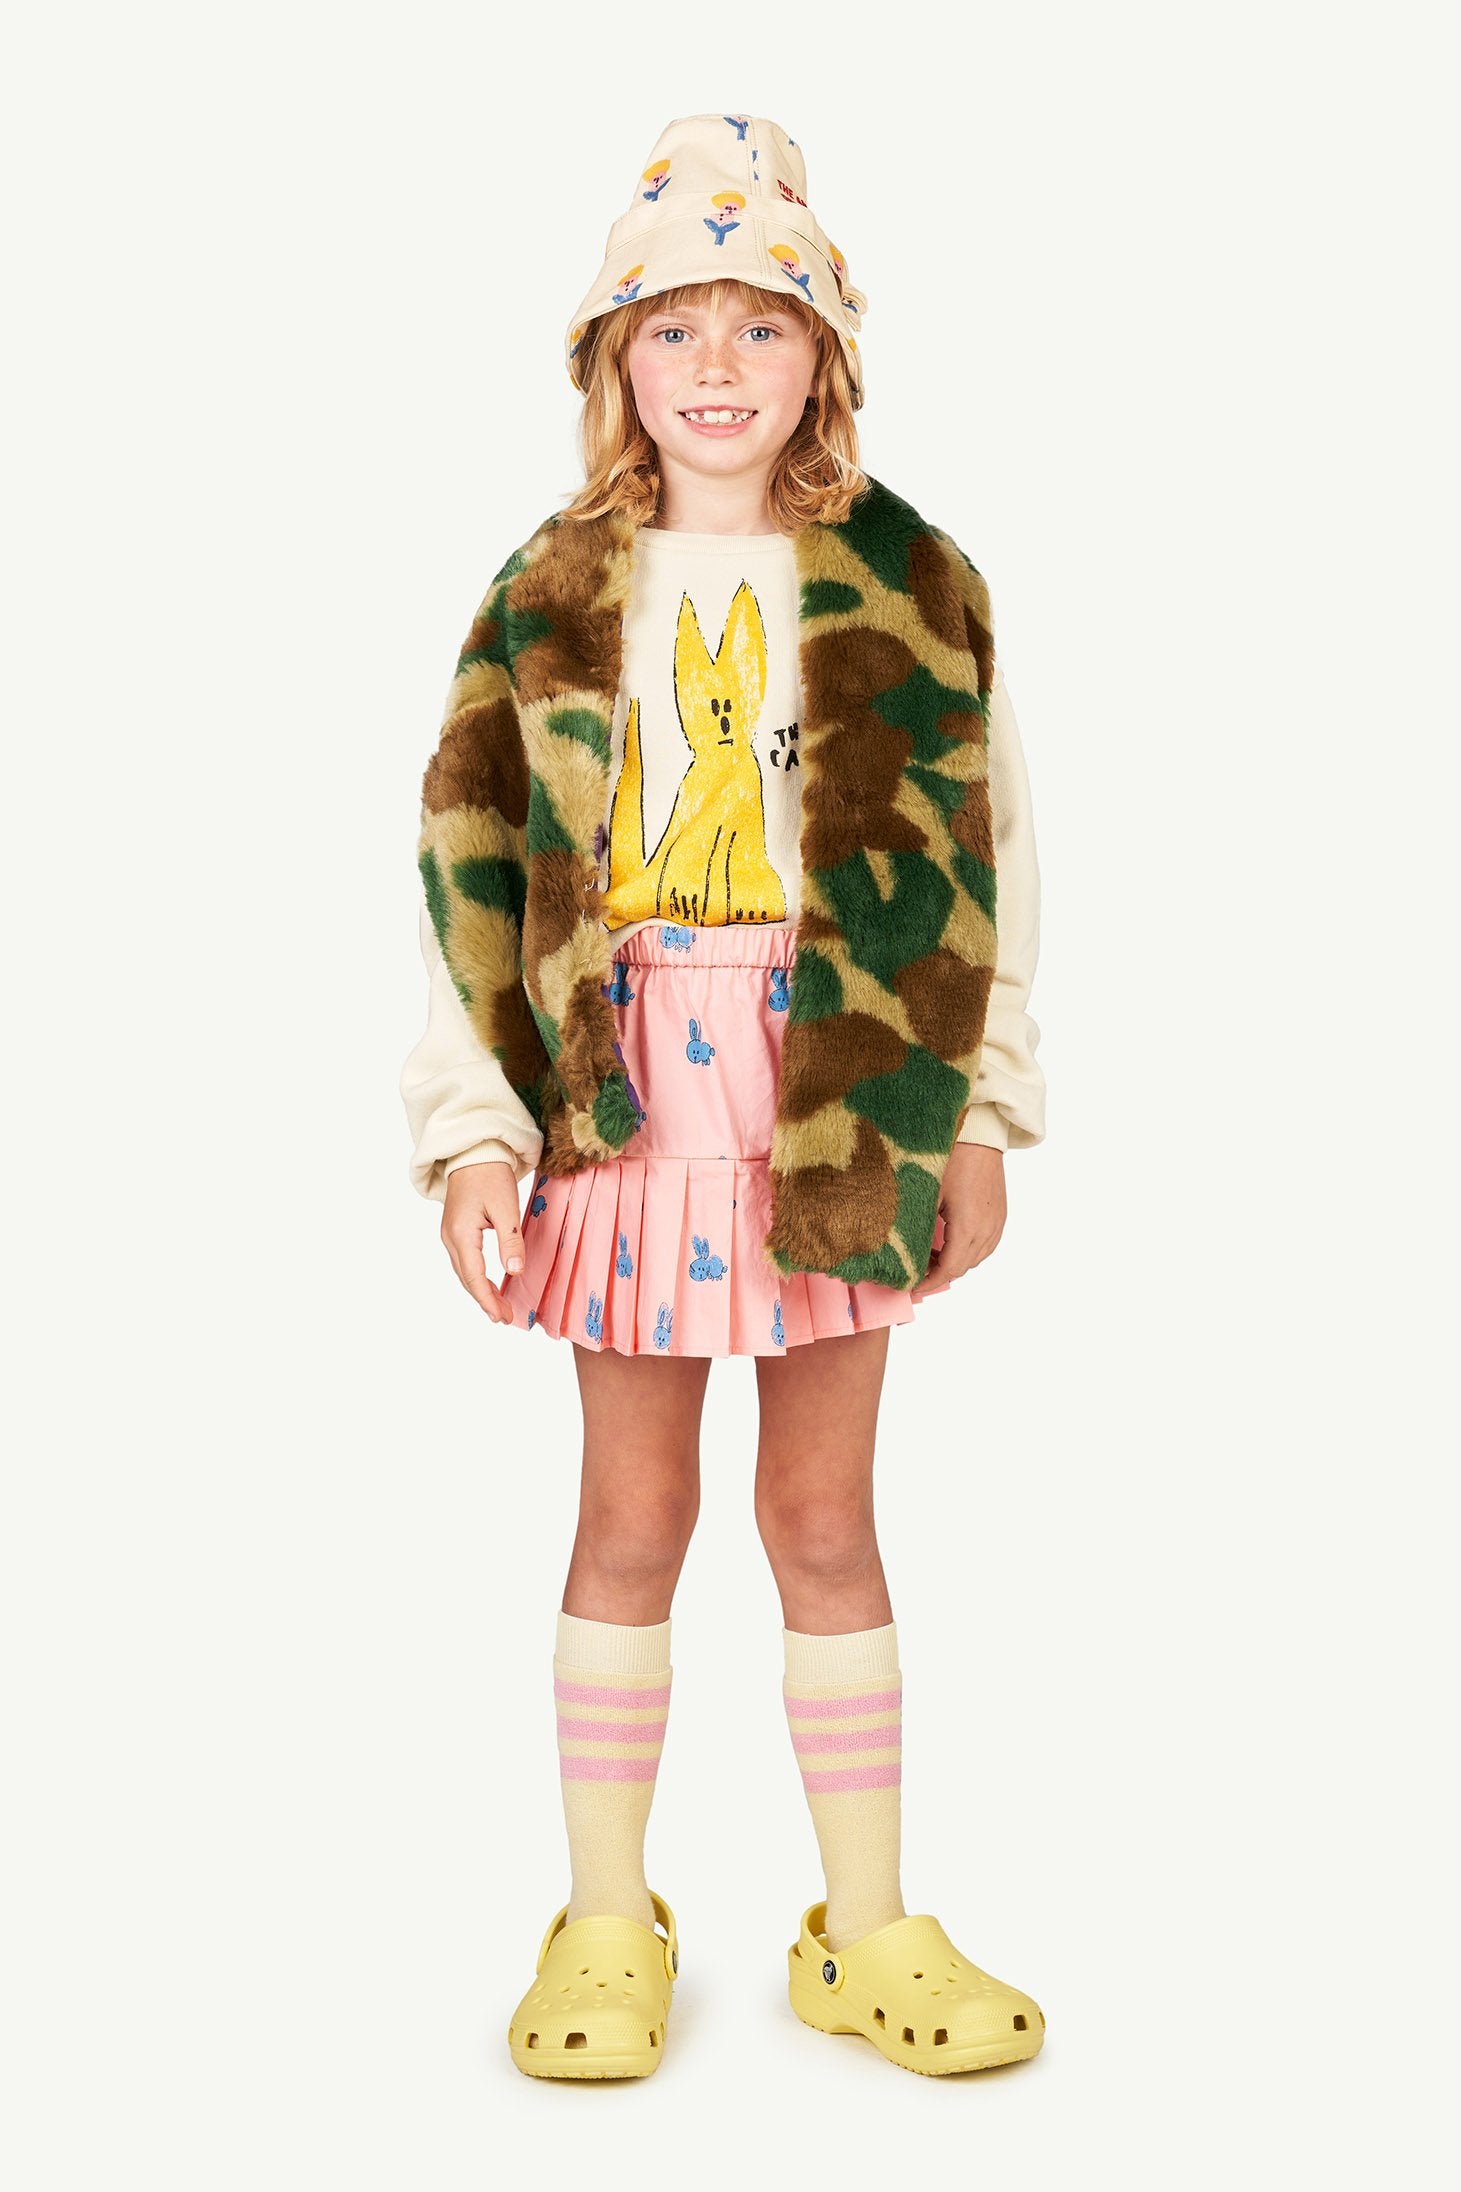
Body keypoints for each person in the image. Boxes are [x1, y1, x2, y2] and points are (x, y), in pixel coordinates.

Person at [400, 113, 1048, 2082]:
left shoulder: (911, 582)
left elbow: (990, 854)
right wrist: (474, 1127)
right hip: (621, 1103)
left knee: (822, 1516)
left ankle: (864, 1927)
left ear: (819, 358)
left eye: (757, 325)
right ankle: (607, 1921)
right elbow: (467, 864)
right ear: (612, 359)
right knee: (631, 1511)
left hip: (841, 1090)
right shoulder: (547, 592)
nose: (712, 364)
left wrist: (979, 1113)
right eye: (669, 326)